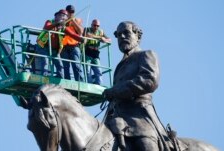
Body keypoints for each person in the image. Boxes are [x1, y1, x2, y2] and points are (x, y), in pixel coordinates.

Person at [102, 21, 180, 151]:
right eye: (118, 34)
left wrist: (115, 91)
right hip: (117, 117)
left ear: (138, 36)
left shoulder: (146, 55)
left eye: (126, 33)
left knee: (146, 146)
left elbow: (149, 81)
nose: (121, 37)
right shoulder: (120, 65)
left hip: (139, 117)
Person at [35, 9, 83, 78]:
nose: (63, 17)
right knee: (45, 62)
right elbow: (46, 27)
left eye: (64, 16)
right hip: (43, 47)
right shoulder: (50, 22)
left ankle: (60, 80)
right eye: (61, 15)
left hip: (54, 50)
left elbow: (72, 34)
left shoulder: (63, 28)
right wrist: (56, 24)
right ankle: (44, 78)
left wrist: (81, 39)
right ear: (56, 17)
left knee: (60, 66)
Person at [83, 19, 111, 85]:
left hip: (96, 53)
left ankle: (99, 85)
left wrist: (105, 40)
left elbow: (109, 40)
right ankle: (89, 85)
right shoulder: (87, 29)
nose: (96, 27)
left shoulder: (101, 31)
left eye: (97, 26)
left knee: (98, 71)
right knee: (87, 70)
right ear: (91, 25)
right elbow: (89, 35)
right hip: (87, 52)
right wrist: (100, 38)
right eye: (94, 25)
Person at [61, 5, 84, 81]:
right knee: (65, 66)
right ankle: (67, 81)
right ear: (66, 11)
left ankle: (80, 82)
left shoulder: (77, 20)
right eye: (69, 11)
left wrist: (72, 20)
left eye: (72, 12)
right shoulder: (62, 19)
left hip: (74, 46)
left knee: (76, 66)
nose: (70, 13)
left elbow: (81, 31)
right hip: (63, 47)